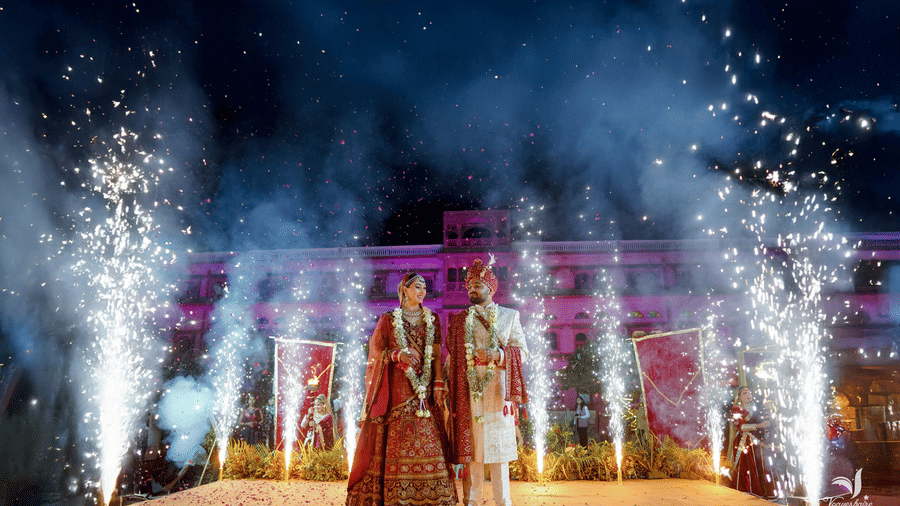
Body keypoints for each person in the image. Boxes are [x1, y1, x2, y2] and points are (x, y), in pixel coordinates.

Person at [346, 273, 456, 506]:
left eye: (425, 287)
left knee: (429, 437)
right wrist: (399, 355)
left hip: (424, 392)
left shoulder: (433, 319)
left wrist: (437, 383)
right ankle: (397, 496)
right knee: (398, 440)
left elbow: (436, 355)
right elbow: (376, 354)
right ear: (404, 290)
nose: (422, 291)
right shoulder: (388, 319)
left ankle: (433, 496)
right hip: (397, 390)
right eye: (417, 287)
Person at [446, 258, 529, 506]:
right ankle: (472, 502)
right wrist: (442, 384)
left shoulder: (509, 316)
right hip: (468, 392)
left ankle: (503, 502)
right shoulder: (459, 320)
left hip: (498, 393)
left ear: (491, 289)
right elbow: (452, 358)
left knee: (498, 453)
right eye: (469, 284)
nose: (472, 288)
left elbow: (523, 352)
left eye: (478, 284)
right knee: (473, 452)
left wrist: (499, 355)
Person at [728, 386, 776, 498]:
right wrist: (759, 425)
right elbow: (741, 427)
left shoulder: (757, 408)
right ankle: (746, 491)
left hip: (757, 441)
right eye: (744, 393)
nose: (748, 394)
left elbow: (767, 421)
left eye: (749, 392)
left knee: (762, 465)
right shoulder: (737, 409)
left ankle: (765, 492)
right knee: (747, 466)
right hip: (744, 441)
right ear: (739, 397)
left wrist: (769, 412)